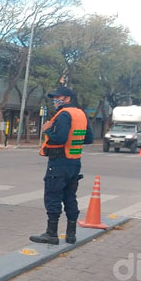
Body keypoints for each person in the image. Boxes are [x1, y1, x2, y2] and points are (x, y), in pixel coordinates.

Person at [30, 86, 93, 245]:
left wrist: (47, 130)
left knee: (53, 195)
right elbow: (88, 138)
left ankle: (51, 234)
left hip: (59, 162)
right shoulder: (81, 114)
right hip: (74, 162)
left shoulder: (64, 115)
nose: (55, 100)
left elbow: (60, 138)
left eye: (58, 97)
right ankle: (71, 234)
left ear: (67, 99)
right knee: (70, 196)